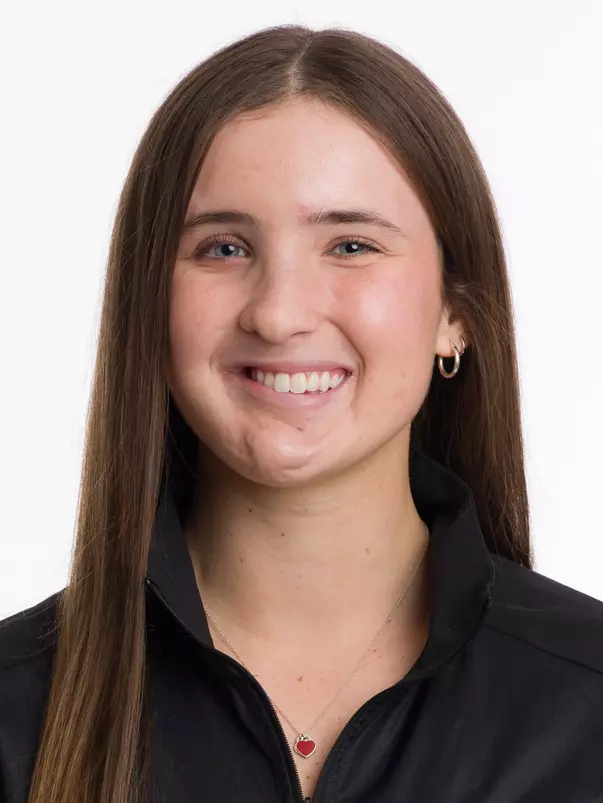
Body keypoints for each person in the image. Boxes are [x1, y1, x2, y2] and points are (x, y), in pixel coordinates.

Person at [1, 22, 602, 803]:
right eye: (222, 248)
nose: (279, 314)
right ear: (148, 303)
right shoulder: (15, 715)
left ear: (454, 312)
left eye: (350, 245)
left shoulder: (587, 704)